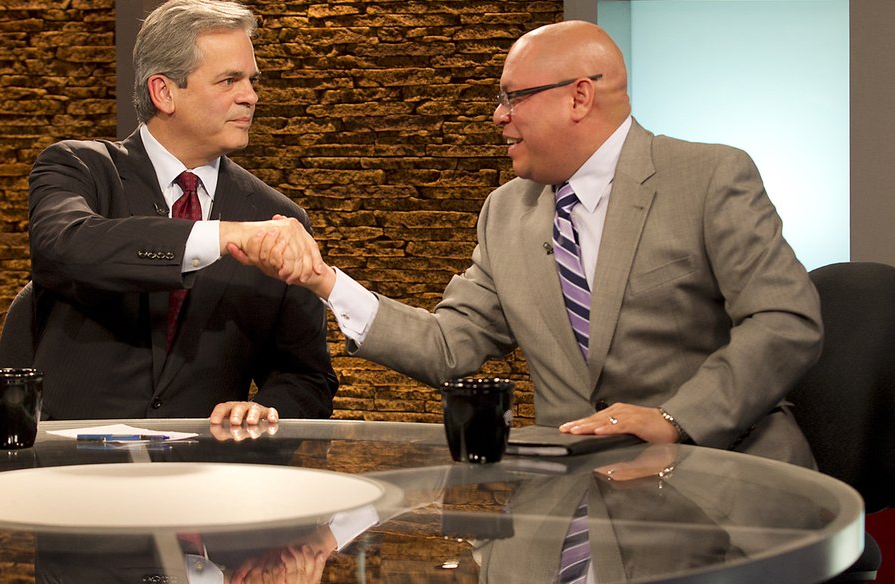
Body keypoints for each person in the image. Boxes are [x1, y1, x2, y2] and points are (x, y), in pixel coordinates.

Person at [235, 21, 822, 466]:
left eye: (513, 97)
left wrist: (675, 419)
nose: (498, 116)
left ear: (579, 97)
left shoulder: (708, 176)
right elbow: (448, 347)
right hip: (579, 488)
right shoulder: (507, 212)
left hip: (722, 473)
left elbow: (785, 319)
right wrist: (326, 281)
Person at [27, 0, 337, 425]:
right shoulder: (80, 168)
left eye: (251, 80)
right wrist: (221, 236)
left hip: (203, 474)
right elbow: (64, 247)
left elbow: (306, 377)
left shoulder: (278, 218)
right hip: (70, 467)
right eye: (229, 80)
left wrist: (266, 409)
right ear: (164, 92)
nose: (250, 96)